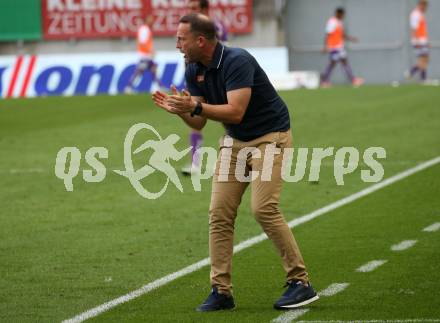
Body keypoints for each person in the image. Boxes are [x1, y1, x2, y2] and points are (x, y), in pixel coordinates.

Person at [152, 13, 318, 311]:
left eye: (180, 38)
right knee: (219, 213)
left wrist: (196, 105)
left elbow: (236, 111)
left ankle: (300, 283)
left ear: (200, 40)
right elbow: (199, 124)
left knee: (263, 208)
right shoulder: (192, 67)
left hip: (270, 137)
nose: (176, 44)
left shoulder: (237, 60)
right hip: (234, 141)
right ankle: (221, 291)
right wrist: (180, 109)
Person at [182, 0, 229, 176]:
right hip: (198, 80)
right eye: (189, 8)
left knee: (229, 120)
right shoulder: (188, 29)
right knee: (195, 116)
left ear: (204, 8)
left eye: (194, 8)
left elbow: (225, 53)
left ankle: (239, 159)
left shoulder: (216, 27)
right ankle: (195, 163)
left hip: (218, 81)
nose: (190, 11)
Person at [321, 7, 363, 87]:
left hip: (339, 46)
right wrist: (325, 46)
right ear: (338, 13)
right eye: (342, 14)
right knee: (336, 63)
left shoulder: (339, 22)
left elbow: (341, 35)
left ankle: (325, 80)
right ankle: (324, 81)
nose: (343, 16)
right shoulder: (332, 22)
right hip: (334, 47)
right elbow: (328, 34)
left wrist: (351, 39)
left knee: (338, 63)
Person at [125, 16, 164, 94]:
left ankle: (159, 86)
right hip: (144, 55)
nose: (152, 21)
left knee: (153, 69)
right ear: (146, 20)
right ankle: (128, 87)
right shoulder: (144, 29)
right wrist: (150, 51)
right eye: (150, 19)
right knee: (139, 71)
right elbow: (143, 42)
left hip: (146, 55)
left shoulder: (146, 29)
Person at [406, 0, 430, 82]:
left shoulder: (420, 14)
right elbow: (413, 28)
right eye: (424, 6)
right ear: (420, 5)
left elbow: (423, 29)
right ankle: (421, 77)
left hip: (423, 40)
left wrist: (427, 41)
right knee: (422, 59)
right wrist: (416, 41)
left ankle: (413, 73)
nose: (425, 8)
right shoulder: (415, 14)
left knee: (425, 59)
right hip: (419, 40)